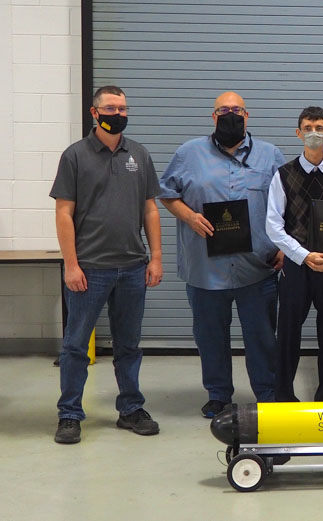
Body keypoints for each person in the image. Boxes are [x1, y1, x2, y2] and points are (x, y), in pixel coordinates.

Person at [159, 91, 286, 418]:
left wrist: (286, 248)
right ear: (213, 117)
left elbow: (289, 206)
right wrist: (189, 216)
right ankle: (218, 395)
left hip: (258, 268)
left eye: (237, 110)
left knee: (262, 338)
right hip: (205, 269)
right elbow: (167, 194)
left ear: (247, 115)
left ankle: (267, 394)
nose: (231, 114)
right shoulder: (188, 153)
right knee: (210, 338)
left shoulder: (271, 155)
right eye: (224, 110)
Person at [50, 85, 163, 443]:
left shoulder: (139, 155)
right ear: (94, 113)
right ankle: (69, 414)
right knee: (75, 346)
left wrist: (156, 257)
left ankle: (130, 408)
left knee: (129, 345)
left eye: (123, 108)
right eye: (111, 108)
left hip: (132, 267)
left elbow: (150, 209)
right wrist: (71, 264)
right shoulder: (75, 156)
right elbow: (63, 213)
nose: (119, 114)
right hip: (90, 268)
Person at [265, 106, 323, 402]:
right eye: (307, 128)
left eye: (319, 127)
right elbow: (273, 225)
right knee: (288, 334)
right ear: (298, 133)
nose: (313, 133)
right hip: (296, 267)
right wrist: (304, 256)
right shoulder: (283, 175)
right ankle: (283, 396)